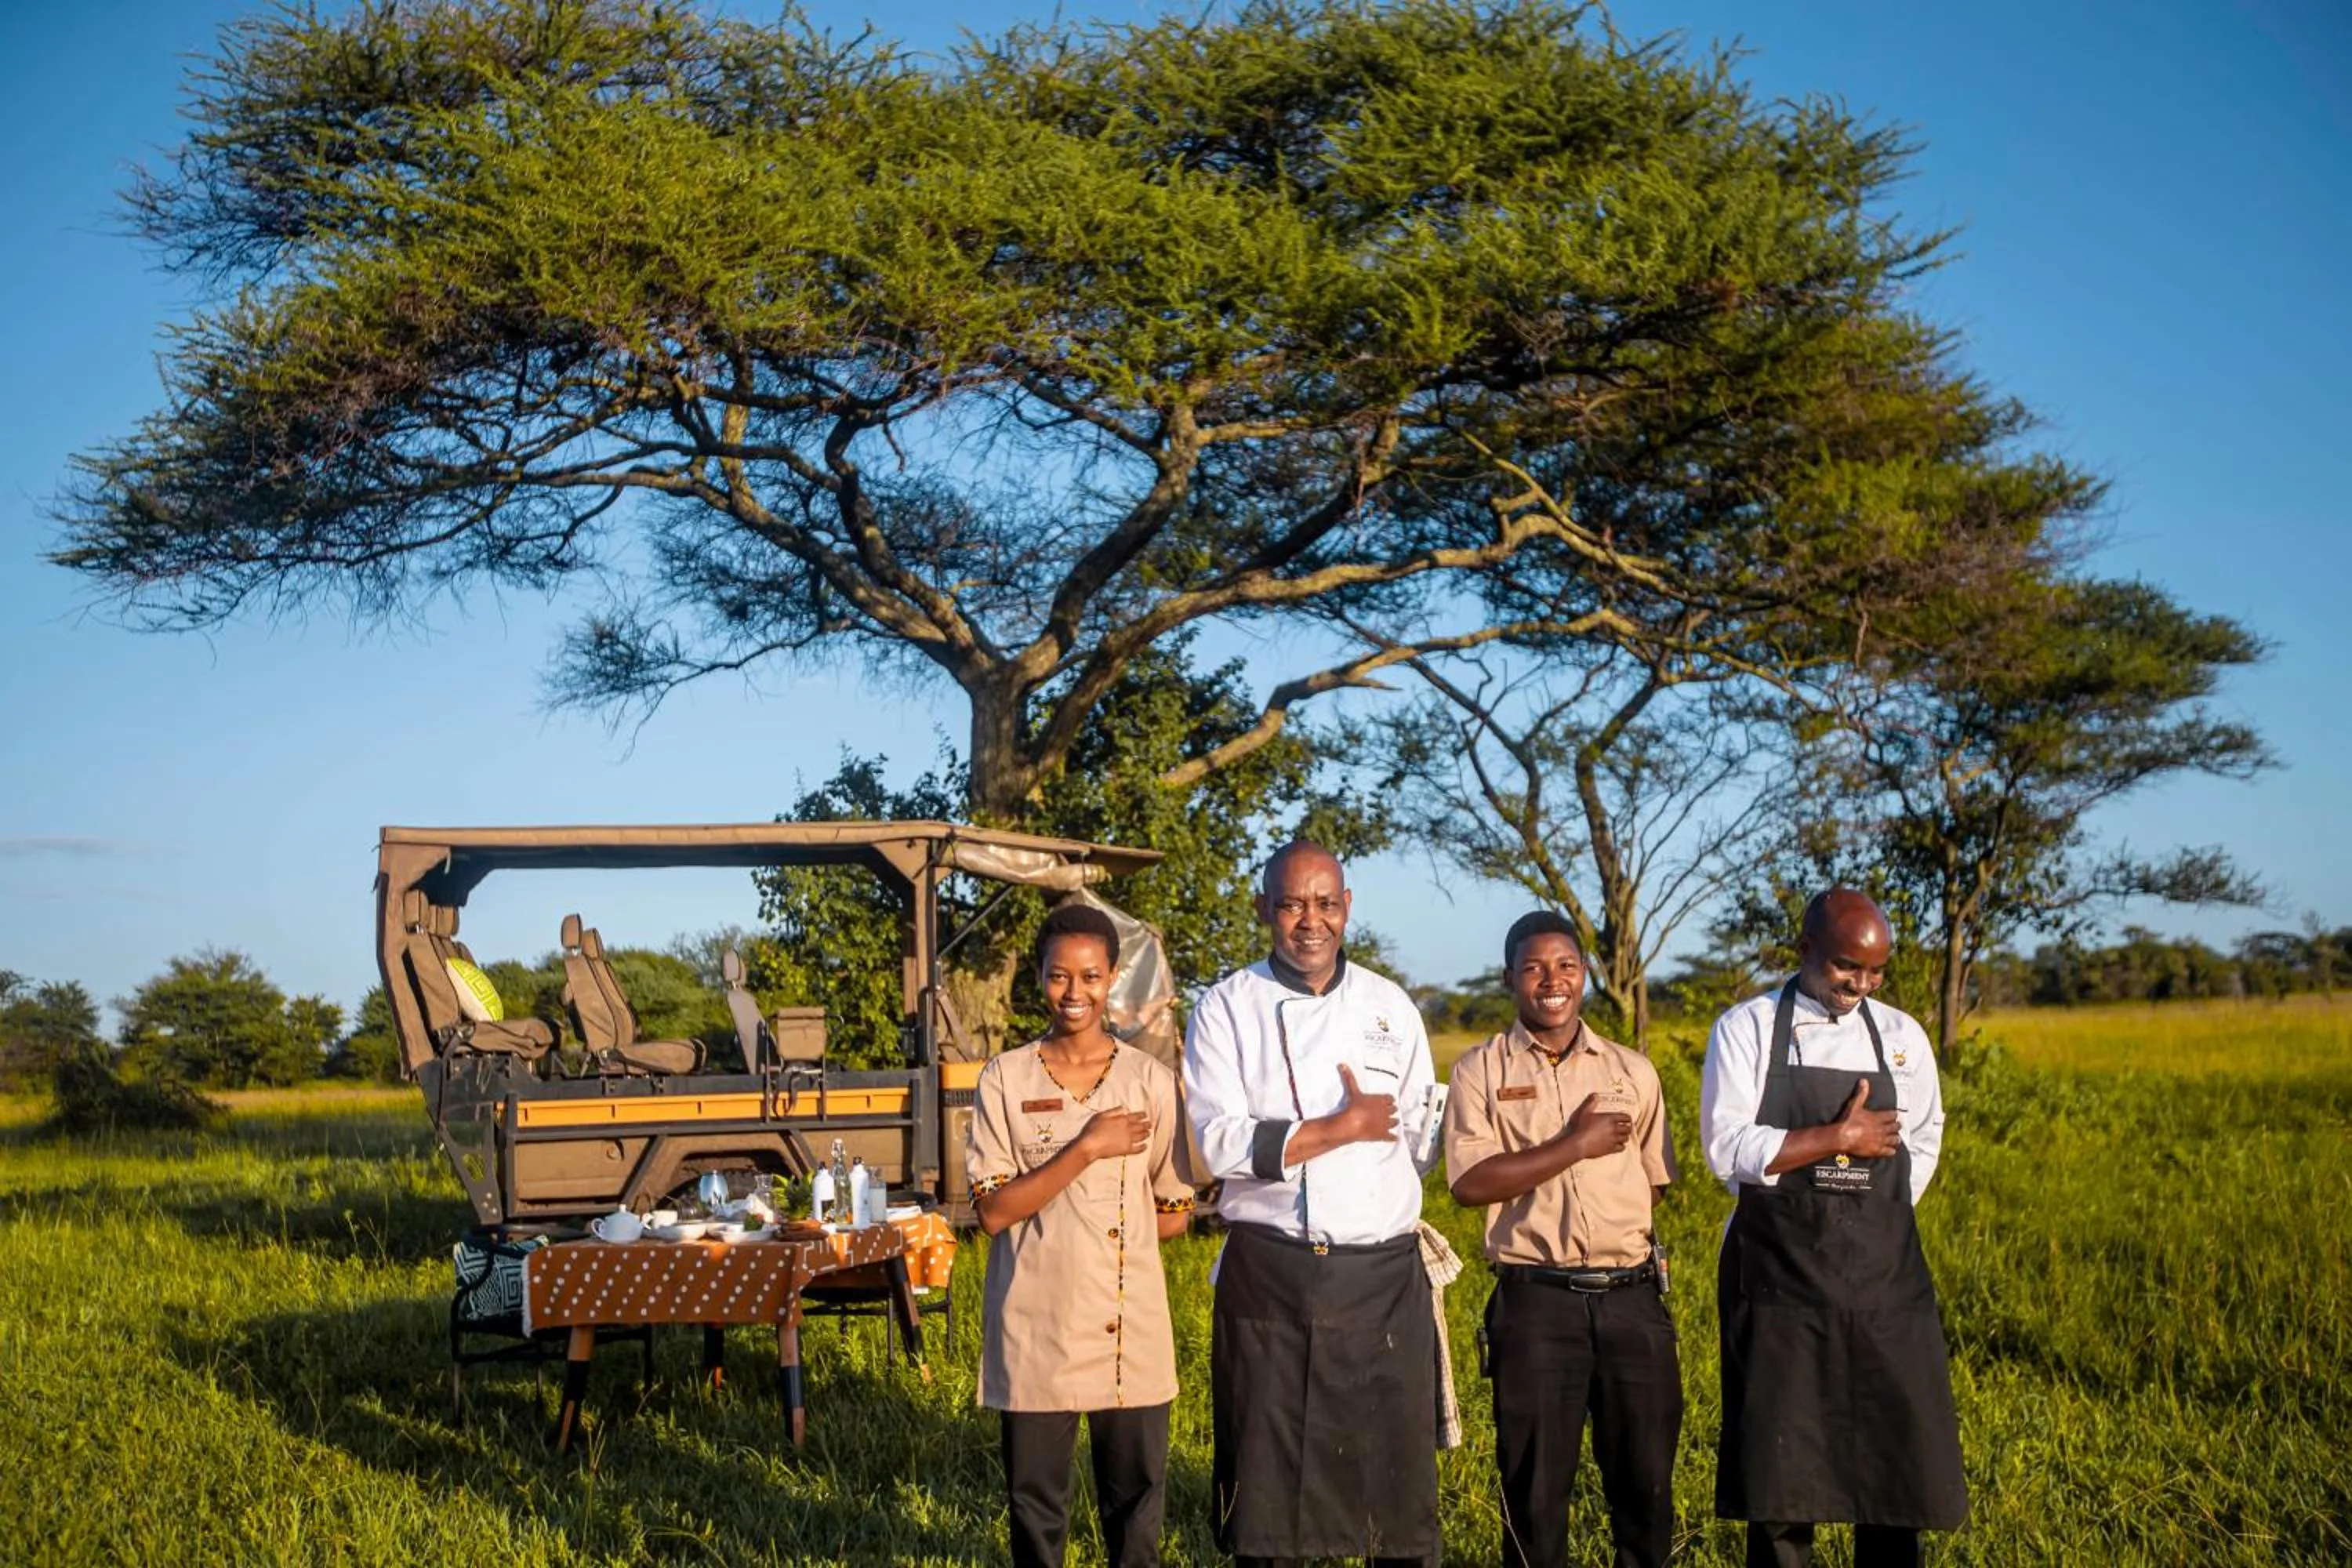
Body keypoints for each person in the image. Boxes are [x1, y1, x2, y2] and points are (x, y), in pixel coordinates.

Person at [1182, 841, 1444, 1567]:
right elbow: (1215, 1142)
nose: (1310, 921)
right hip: (1274, 1276)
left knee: (1395, 1496)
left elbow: (1420, 1137)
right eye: (1292, 904)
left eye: (1326, 903)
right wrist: (1339, 1129)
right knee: (1269, 1497)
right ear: (1263, 907)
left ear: (1347, 907)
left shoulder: (1391, 1006)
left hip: (1383, 1279)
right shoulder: (1226, 1007)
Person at [1700, 888, 1969, 1568]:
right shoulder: (1748, 1028)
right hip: (1779, 1280)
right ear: (1805, 950)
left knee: (1892, 1470)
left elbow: (1925, 1136)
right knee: (1781, 1479)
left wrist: (1875, 1203)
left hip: (1883, 1282)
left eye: (1876, 972)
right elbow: (1727, 1149)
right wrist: (1837, 1139)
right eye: (1848, 967)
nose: (1862, 985)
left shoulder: (1903, 1037)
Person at [1445, 912, 1679, 1568]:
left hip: (1632, 1300)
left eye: (1566, 966)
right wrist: (1574, 1145)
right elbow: (1470, 1183)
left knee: (1646, 1488)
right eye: (1534, 968)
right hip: (1535, 1305)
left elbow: (1653, 1183)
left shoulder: (1632, 1070)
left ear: (1585, 975)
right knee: (1536, 1495)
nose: (1553, 981)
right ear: (1509, 978)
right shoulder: (1479, 1071)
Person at [967, 903, 1196, 1568]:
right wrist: (1088, 1147)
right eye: (1059, 975)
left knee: (1136, 1510)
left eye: (1091, 976)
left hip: (1129, 1330)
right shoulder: (1005, 1078)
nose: (1075, 993)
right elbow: (994, 1212)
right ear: (1038, 977)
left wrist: (1102, 1244)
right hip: (1036, 1327)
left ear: (1113, 977)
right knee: (1036, 1509)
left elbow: (1174, 1212)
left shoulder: (1150, 1081)